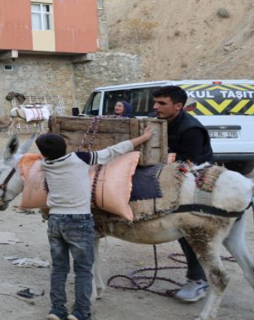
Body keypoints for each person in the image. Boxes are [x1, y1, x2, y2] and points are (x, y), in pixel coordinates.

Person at [36, 127, 154, 320]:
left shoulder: (45, 164)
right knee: (83, 269)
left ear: (43, 153)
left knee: (59, 268)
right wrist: (144, 137)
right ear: (66, 146)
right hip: (78, 221)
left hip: (55, 220)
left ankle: (57, 310)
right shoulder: (79, 159)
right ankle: (81, 312)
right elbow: (114, 151)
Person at [152, 85, 214, 302]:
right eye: (155, 102)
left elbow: (188, 164)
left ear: (178, 106)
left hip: (197, 182)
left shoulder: (191, 129)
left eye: (161, 103)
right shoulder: (155, 120)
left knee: (189, 228)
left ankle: (198, 280)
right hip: (170, 176)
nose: (155, 107)